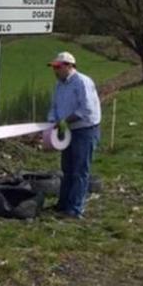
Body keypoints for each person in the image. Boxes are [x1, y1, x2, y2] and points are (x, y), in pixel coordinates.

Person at [46, 51, 101, 219]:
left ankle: (75, 208)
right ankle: (63, 204)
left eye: (58, 67)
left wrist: (65, 121)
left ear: (69, 66)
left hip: (84, 130)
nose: (55, 71)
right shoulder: (59, 85)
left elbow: (86, 109)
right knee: (67, 169)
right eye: (54, 67)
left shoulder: (82, 82)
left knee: (79, 170)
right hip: (68, 130)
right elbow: (55, 106)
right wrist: (51, 122)